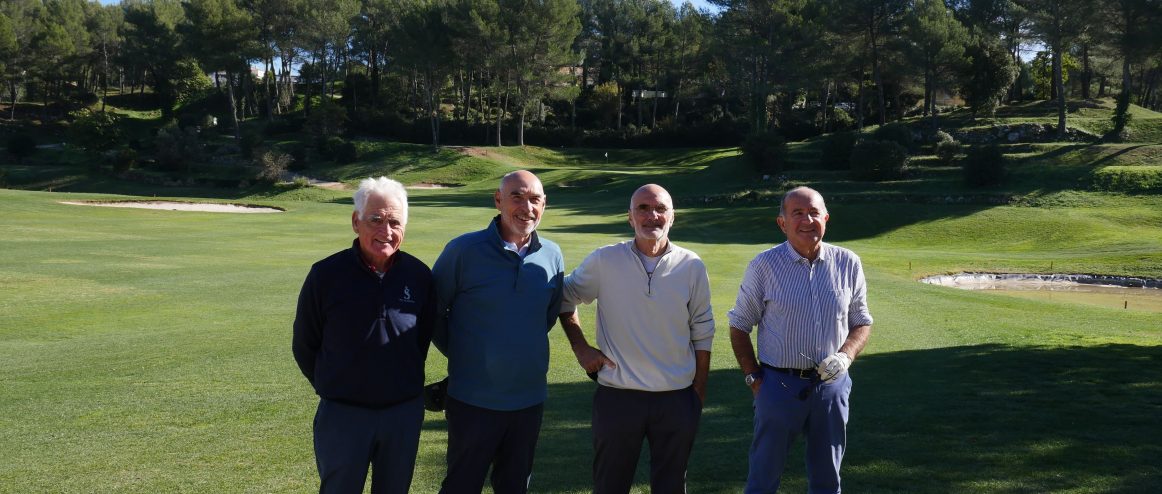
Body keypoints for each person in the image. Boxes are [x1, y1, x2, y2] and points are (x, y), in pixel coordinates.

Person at [558, 184, 715, 494]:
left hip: (676, 398)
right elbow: (565, 297)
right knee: (610, 486)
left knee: (671, 487)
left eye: (660, 209)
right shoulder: (604, 260)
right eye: (642, 208)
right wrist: (580, 347)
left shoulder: (692, 265)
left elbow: (702, 328)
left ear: (673, 217)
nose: (651, 215)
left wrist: (698, 390)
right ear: (629, 217)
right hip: (618, 397)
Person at [292, 176, 436, 494]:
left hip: (402, 414)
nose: (386, 231)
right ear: (356, 221)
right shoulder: (325, 275)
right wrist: (336, 384)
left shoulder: (419, 275)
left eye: (395, 222)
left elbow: (420, 339)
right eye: (376, 219)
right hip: (343, 415)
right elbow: (305, 343)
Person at [728, 186, 873, 494]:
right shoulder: (764, 265)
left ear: (826, 218)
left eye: (814, 213)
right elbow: (739, 325)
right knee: (763, 477)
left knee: (827, 477)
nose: (807, 220)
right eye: (797, 213)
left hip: (831, 387)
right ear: (782, 223)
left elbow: (861, 322)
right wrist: (753, 377)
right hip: (778, 385)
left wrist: (846, 356)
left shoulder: (848, 262)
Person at [432, 170, 565, 494]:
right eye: (517, 197)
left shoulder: (552, 254)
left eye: (535, 199)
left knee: (514, 486)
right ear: (498, 200)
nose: (527, 207)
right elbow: (433, 313)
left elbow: (545, 317)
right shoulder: (463, 250)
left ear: (544, 204)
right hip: (472, 400)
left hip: (528, 400)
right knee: (461, 486)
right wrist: (468, 352)